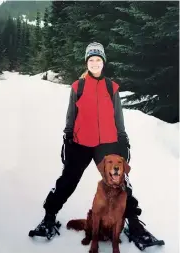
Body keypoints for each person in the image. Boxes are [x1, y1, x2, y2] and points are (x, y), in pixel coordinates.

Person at [31, 42, 152, 243]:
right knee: (68, 179)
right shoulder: (78, 87)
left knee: (120, 182)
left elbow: (117, 115)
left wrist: (122, 137)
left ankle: (134, 223)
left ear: (103, 63)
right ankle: (49, 217)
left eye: (98, 60)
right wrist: (68, 135)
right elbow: (71, 113)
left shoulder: (110, 87)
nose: (95, 63)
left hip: (107, 143)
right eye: (91, 60)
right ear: (86, 63)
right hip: (81, 141)